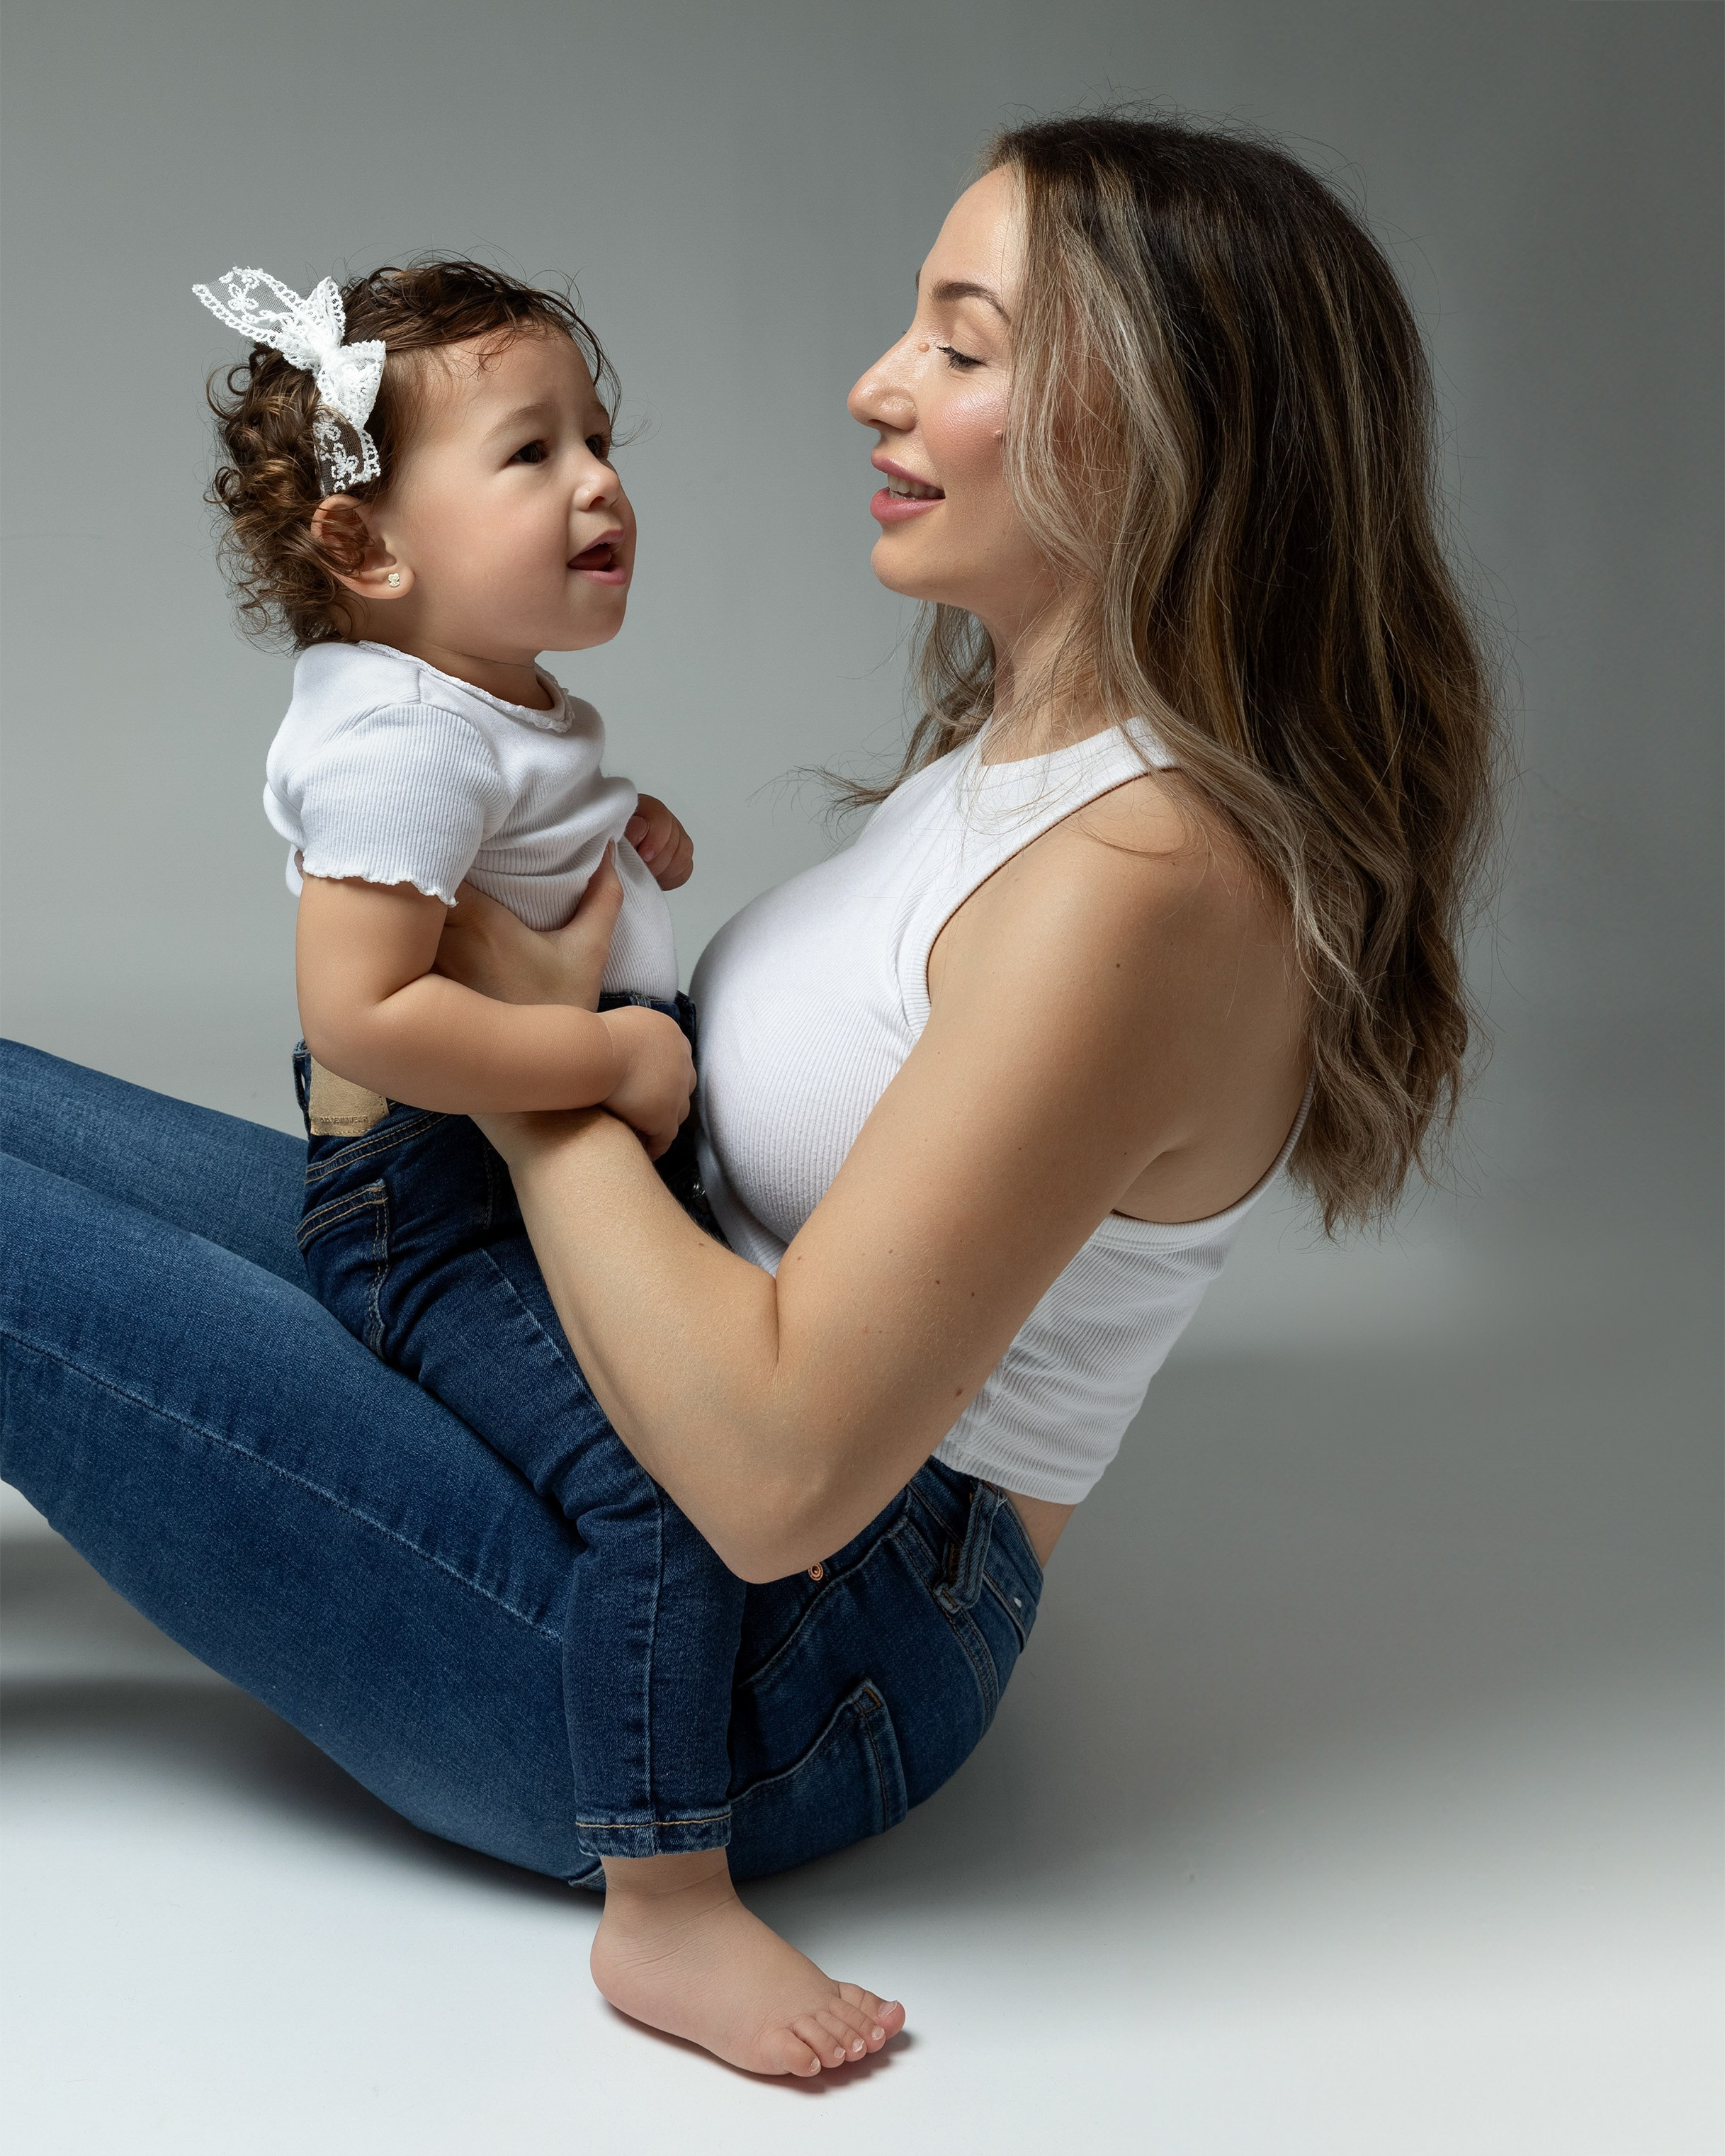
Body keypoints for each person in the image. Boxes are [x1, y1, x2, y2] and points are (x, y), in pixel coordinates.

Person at [0, 114, 1495, 2079]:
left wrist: (537, 1062)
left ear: (1156, 426)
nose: (875, 382)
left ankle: (662, 1909)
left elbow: (777, 1472)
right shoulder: (1023, 754)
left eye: (962, 345)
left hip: (787, 1660)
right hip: (626, 1361)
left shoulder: (1146, 882)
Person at [191, 256, 801, 2035]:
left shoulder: (475, 699)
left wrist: (623, 820)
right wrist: (602, 1061)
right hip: (438, 1212)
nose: (601, 480)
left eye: (598, 439)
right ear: (371, 553)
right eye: (531, 453)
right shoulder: (399, 746)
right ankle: (665, 1893)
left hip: (515, 1169)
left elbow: (519, 822)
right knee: (661, 1482)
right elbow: (372, 1013)